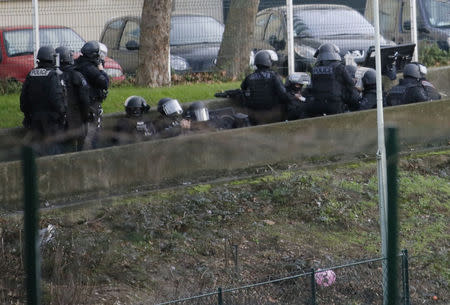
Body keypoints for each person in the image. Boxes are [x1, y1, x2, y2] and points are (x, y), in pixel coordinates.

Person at [20, 45, 66, 155]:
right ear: (51, 58)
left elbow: (23, 100)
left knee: (37, 152)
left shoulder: (31, 74)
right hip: (51, 123)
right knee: (53, 152)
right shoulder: (52, 75)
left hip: (34, 120)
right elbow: (56, 99)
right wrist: (62, 113)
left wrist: (28, 115)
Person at [302, 43, 360, 118]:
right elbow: (350, 83)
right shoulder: (339, 67)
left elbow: (311, 86)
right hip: (335, 105)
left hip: (317, 105)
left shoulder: (314, 70)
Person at [75, 40, 109, 149]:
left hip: (78, 105)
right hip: (91, 104)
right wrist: (101, 69)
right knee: (94, 132)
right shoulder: (90, 68)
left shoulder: (77, 64)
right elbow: (105, 83)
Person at [55, 46, 90, 152]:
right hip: (75, 121)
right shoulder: (76, 75)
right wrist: (86, 116)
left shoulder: (54, 76)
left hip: (58, 123)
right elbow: (84, 99)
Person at [240, 50, 288, 125]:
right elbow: (283, 94)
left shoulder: (249, 77)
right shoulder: (274, 76)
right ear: (268, 62)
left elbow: (243, 87)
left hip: (255, 112)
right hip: (272, 112)